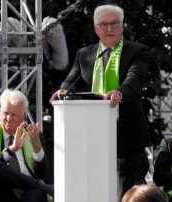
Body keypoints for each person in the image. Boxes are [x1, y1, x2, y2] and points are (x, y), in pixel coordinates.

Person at [49, 4, 152, 201]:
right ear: (96, 28)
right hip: (90, 135)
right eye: (104, 25)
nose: (110, 29)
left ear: (122, 26)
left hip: (126, 133)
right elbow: (71, 80)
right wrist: (63, 90)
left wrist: (118, 93)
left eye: (114, 24)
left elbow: (134, 79)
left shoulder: (137, 51)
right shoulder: (85, 54)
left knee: (123, 192)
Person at [0, 89, 53, 202]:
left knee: (35, 194)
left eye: (14, 114)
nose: (9, 119)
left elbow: (43, 173)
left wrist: (37, 148)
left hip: (29, 192)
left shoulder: (33, 134)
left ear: (23, 116)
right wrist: (12, 149)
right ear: (0, 112)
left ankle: (37, 186)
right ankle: (39, 186)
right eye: (5, 113)